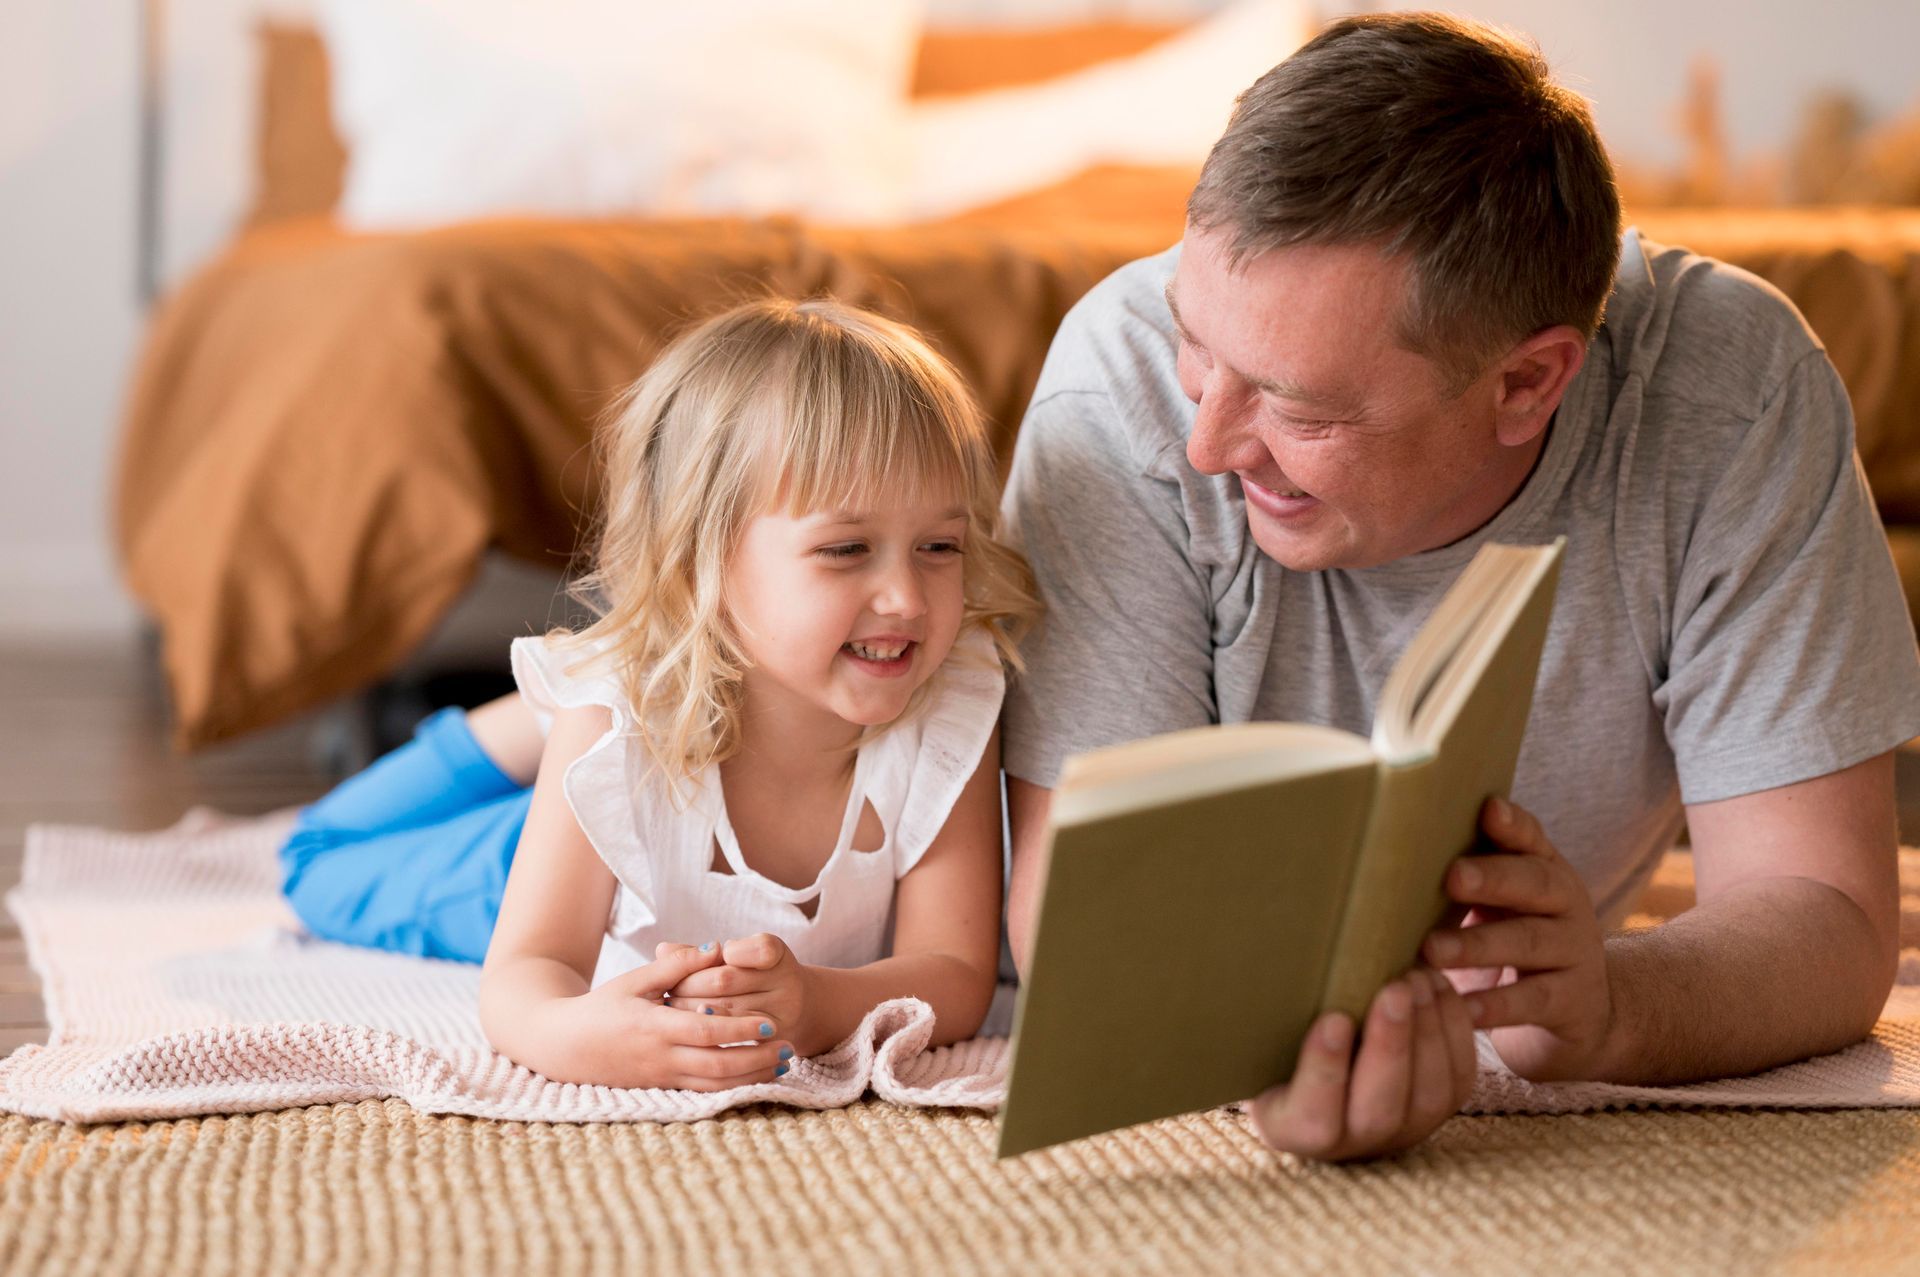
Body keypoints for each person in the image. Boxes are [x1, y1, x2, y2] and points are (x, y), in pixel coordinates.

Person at [1001, 12, 1920, 1161]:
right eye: (1199, 348)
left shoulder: (1731, 395)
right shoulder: (1119, 388)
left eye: (1301, 408)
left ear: (1529, 382)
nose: (1208, 442)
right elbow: (1075, 926)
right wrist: (1255, 1053)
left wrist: (1611, 1006)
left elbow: (1827, 915)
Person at [278, 297, 1040, 1091]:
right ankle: (544, 710)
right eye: (847, 549)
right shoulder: (614, 725)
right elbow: (525, 973)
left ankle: (565, 699)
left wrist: (816, 1003)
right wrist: (570, 1030)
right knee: (315, 860)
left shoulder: (952, 698)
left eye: (940, 546)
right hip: (589, 842)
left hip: (667, 758)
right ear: (697, 560)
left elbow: (953, 974)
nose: (908, 599)